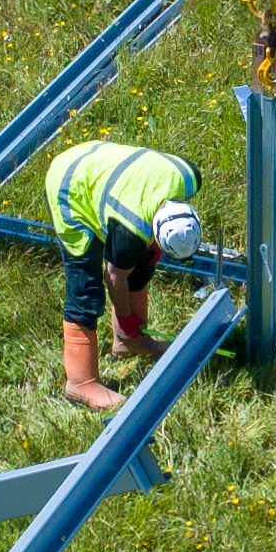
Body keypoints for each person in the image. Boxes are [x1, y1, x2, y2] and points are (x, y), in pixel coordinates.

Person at [45, 134, 207, 411]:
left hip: (100, 163)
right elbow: (114, 277)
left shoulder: (189, 176)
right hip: (71, 184)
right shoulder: (130, 231)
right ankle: (80, 383)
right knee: (87, 290)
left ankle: (129, 343)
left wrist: (151, 253)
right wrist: (125, 317)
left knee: (142, 263)